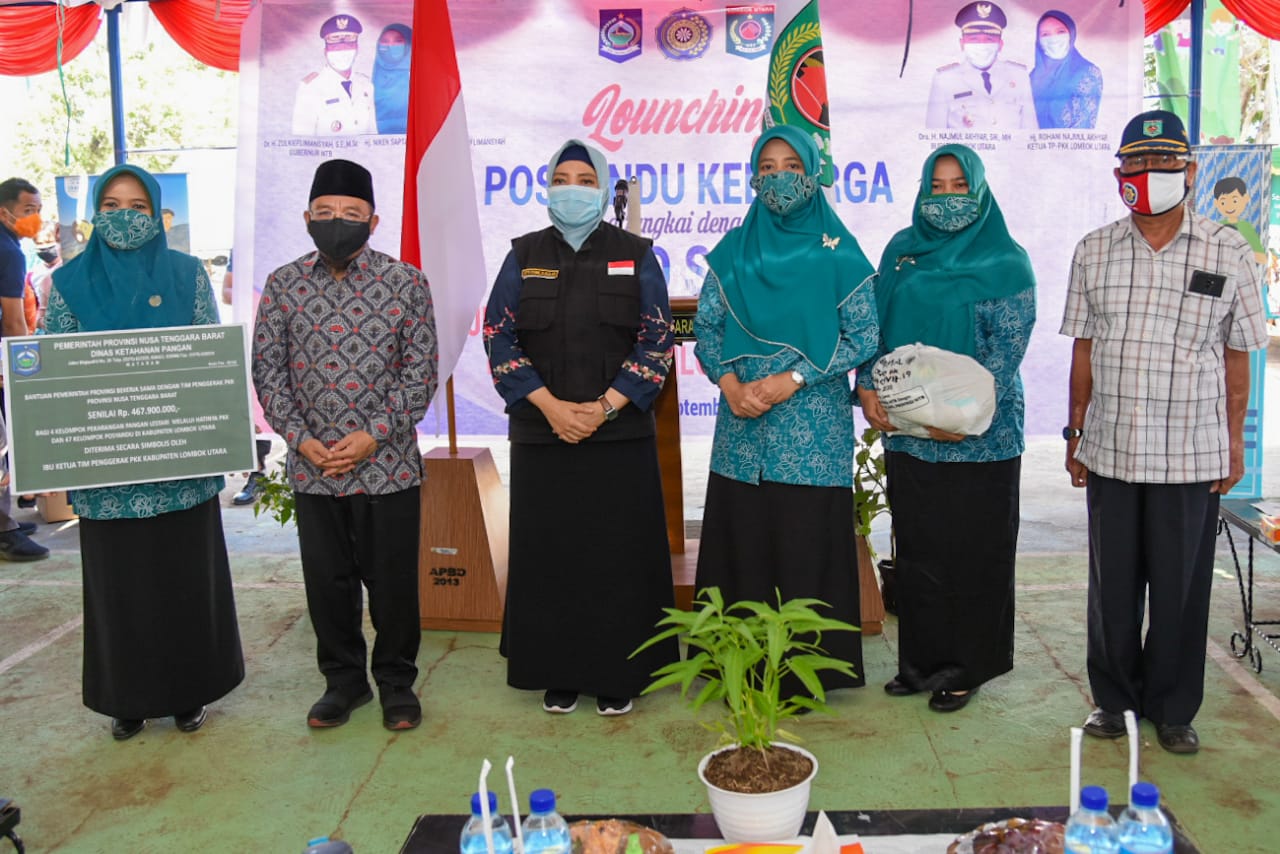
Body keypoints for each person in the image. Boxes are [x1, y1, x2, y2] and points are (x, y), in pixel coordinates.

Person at [1061, 110, 1267, 754]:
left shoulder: (1228, 251)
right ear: (1118, 173)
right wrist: (1074, 436)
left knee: (1180, 589)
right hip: (1114, 448)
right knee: (1112, 587)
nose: (1149, 176)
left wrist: (1234, 443)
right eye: (1136, 165)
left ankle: (1174, 707)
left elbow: (1240, 354)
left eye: (1163, 165)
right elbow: (1084, 351)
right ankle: (1115, 700)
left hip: (1192, 450)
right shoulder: (1094, 249)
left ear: (1191, 172)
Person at [45, 164, 244, 739]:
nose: (124, 217)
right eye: (111, 205)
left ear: (156, 215)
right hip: (108, 472)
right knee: (120, 588)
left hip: (181, 464)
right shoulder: (69, 283)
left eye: (137, 206)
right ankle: (125, 699)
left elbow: (207, 358)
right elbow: (56, 368)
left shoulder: (188, 275)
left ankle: (189, 693)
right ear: (94, 214)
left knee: (186, 580)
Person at [483, 139, 677, 716]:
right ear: (547, 186)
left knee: (617, 556)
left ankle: (619, 673)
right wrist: (551, 407)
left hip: (618, 435)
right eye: (562, 177)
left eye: (585, 179)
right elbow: (499, 335)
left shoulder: (637, 254)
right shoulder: (523, 255)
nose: (573, 187)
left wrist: (604, 407)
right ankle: (557, 670)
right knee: (553, 556)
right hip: (545, 435)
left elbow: (656, 339)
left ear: (603, 187)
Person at [693, 124, 879, 699]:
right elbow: (707, 330)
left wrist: (794, 376)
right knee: (743, 540)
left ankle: (805, 677)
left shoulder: (839, 252)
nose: (778, 178)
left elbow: (864, 333)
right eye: (766, 167)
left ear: (812, 171)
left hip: (811, 427)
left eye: (789, 165)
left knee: (804, 542)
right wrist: (727, 384)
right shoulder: (733, 252)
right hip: (742, 428)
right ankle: (736, 665)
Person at [252, 159, 437, 730]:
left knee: (393, 585)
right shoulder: (284, 284)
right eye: (326, 214)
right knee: (328, 585)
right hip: (315, 470)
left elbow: (421, 371)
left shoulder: (405, 282)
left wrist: (373, 435)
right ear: (307, 217)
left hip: (387, 468)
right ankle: (344, 683)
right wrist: (301, 440)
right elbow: (268, 370)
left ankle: (397, 683)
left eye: (352, 214)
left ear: (373, 221)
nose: (339, 223)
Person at [856, 144, 1036, 713]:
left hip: (981, 437)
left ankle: (967, 667)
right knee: (918, 549)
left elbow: (1005, 353)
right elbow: (874, 325)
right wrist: (865, 385)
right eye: (939, 185)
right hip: (911, 431)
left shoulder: (1006, 260)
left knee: (975, 554)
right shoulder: (902, 251)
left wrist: (965, 415)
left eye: (960, 186)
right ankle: (922, 664)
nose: (948, 197)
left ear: (979, 190)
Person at [0, 177, 51, 562]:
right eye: (28, 211)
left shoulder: (10, 245)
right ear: (5, 212)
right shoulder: (9, 252)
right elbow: (14, 321)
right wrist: (21, 375)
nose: (35, 218)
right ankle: (6, 531)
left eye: (37, 210)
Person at [925, 1, 1036, 130]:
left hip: (1011, 150)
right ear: (962, 43)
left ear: (1000, 44)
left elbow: (1030, 133)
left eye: (989, 39)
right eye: (974, 39)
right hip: (965, 151)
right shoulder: (945, 79)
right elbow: (934, 137)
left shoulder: (1019, 76)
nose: (982, 45)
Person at [291, 14, 377, 136]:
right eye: (336, 48)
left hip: (363, 154)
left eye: (347, 48)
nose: (342, 53)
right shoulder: (311, 87)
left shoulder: (366, 85)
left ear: (357, 49)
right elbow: (301, 140)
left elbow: (372, 134)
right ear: (325, 52)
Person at [1029, 10, 1103, 129]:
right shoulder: (1033, 77)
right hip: (1030, 145)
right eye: (1045, 34)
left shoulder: (1088, 73)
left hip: (1068, 145)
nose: (1053, 39)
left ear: (1071, 33)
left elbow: (1083, 127)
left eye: (1060, 31)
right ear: (1038, 40)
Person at [1212, 176, 1267, 265]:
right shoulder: (1217, 226)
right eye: (1223, 202)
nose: (1229, 206)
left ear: (1245, 198)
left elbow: (1262, 258)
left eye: (1234, 201)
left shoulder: (1246, 227)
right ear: (1216, 203)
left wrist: (1240, 252)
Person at [372, 23, 411, 135]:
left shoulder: (425, 79)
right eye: (384, 41)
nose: (390, 45)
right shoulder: (366, 79)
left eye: (398, 41)